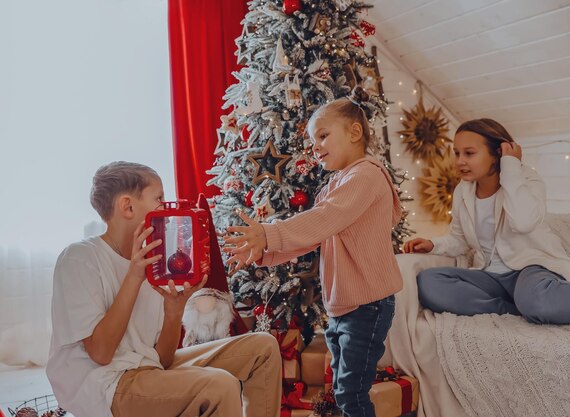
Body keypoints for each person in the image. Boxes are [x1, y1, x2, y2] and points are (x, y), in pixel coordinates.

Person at [46, 161, 282, 417]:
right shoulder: (80, 258)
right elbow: (101, 354)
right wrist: (134, 277)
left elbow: (163, 359)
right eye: (159, 198)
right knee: (219, 386)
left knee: (263, 348)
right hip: (105, 385)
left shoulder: (155, 263)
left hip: (147, 368)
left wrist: (173, 311)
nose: (166, 206)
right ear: (127, 206)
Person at [224, 87, 403, 417]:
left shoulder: (365, 176)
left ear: (354, 132)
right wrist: (265, 251)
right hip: (343, 304)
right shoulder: (337, 183)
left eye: (322, 135)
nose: (315, 146)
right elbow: (313, 236)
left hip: (368, 304)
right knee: (341, 387)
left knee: (352, 392)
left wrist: (268, 233)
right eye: (312, 140)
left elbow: (325, 218)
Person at [403, 118, 570, 324]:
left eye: (469, 153)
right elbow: (460, 240)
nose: (460, 161)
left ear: (497, 153)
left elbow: (523, 223)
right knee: (430, 282)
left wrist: (510, 168)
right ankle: (512, 310)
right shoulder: (463, 191)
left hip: (530, 270)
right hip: (489, 276)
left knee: (535, 298)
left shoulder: (527, 180)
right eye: (457, 153)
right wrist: (434, 245)